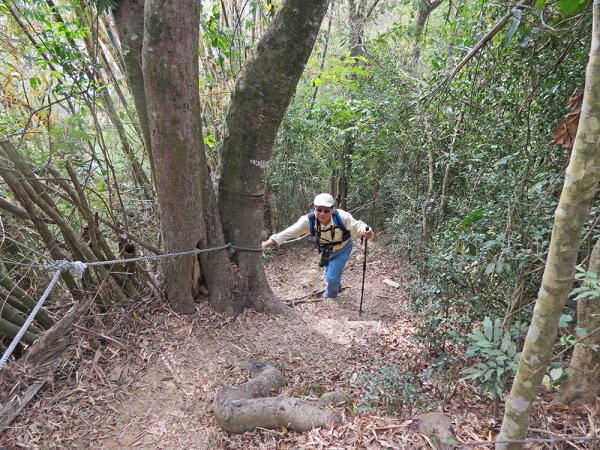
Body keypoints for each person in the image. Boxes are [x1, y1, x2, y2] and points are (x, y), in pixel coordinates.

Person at [262, 193, 373, 300]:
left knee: (331, 278)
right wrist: (266, 244)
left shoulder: (342, 217)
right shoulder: (308, 221)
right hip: (325, 250)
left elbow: (358, 226)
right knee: (331, 274)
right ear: (314, 209)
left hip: (343, 248)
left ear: (332, 209)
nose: (322, 214)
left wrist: (366, 231)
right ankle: (336, 284)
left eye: (326, 211)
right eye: (319, 210)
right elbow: (288, 232)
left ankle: (330, 297)